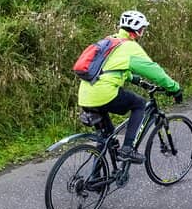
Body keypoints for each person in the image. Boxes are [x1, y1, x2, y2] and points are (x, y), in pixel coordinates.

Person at [78, 10, 182, 163]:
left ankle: (95, 181)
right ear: (138, 31)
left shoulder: (110, 41)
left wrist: (136, 80)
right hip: (104, 94)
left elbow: (111, 69)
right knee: (139, 103)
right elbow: (154, 71)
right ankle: (128, 149)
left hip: (85, 95)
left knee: (106, 137)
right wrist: (174, 88)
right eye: (143, 29)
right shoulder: (130, 47)